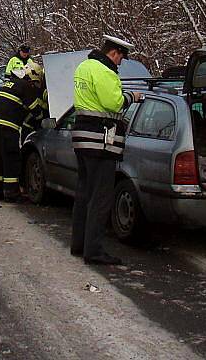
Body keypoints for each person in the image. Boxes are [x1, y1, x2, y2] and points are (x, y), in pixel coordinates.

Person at [71, 35, 142, 265]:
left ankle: (79, 244)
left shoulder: (84, 66)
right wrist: (132, 96)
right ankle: (94, 252)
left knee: (84, 193)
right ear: (114, 53)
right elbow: (114, 103)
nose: (120, 63)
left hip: (82, 139)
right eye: (121, 58)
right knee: (101, 198)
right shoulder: (105, 71)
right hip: (100, 142)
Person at [0, 62, 45, 202]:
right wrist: (42, 119)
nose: (35, 86)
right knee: (11, 159)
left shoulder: (11, 83)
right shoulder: (26, 87)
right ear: (32, 77)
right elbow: (35, 109)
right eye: (36, 82)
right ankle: (11, 194)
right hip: (7, 127)